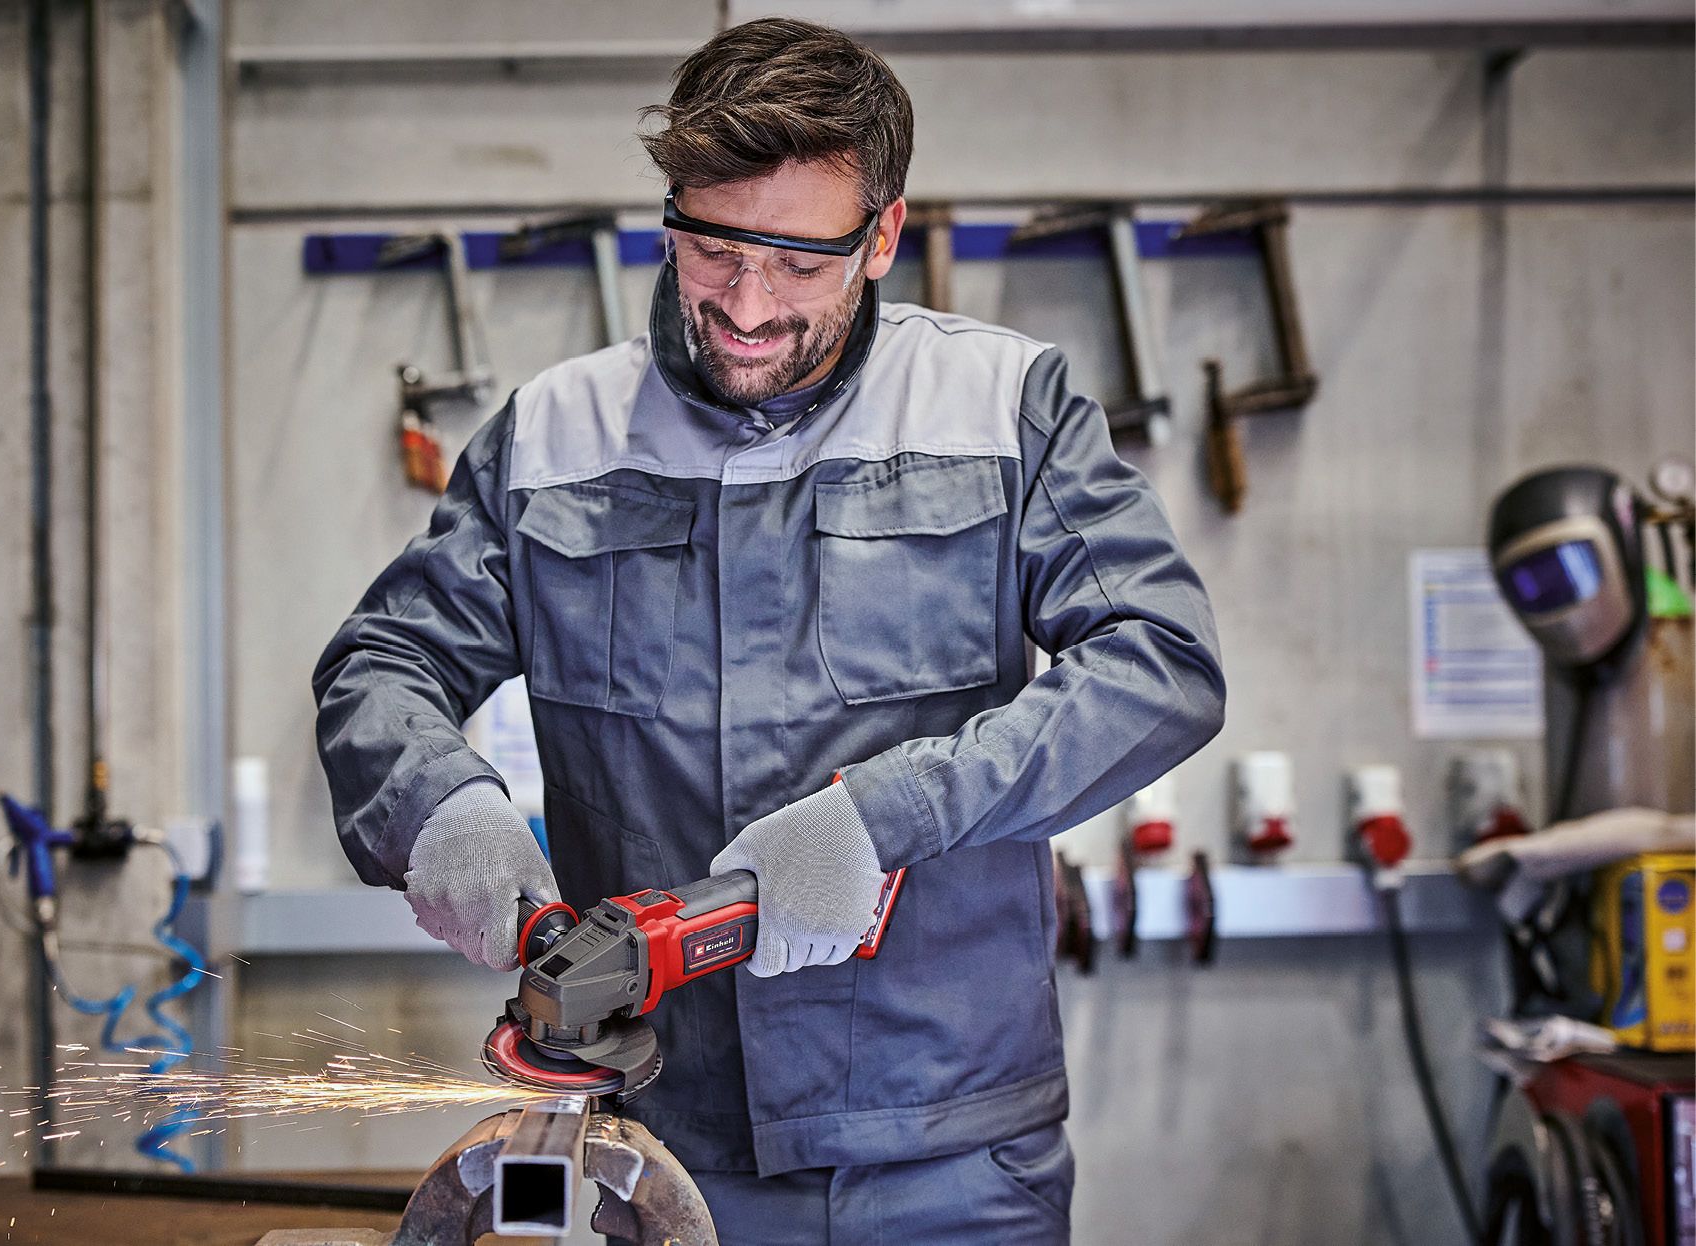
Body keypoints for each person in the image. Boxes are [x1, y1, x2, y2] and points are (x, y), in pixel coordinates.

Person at [313, 18, 1225, 1243]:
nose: (745, 305)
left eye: (798, 261)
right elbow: (383, 662)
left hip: (949, 1158)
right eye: (712, 248)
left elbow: (1159, 662)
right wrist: (440, 809)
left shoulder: (1001, 408)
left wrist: (884, 817)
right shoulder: (553, 435)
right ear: (670, 216)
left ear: (881, 236)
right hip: (660, 1149)